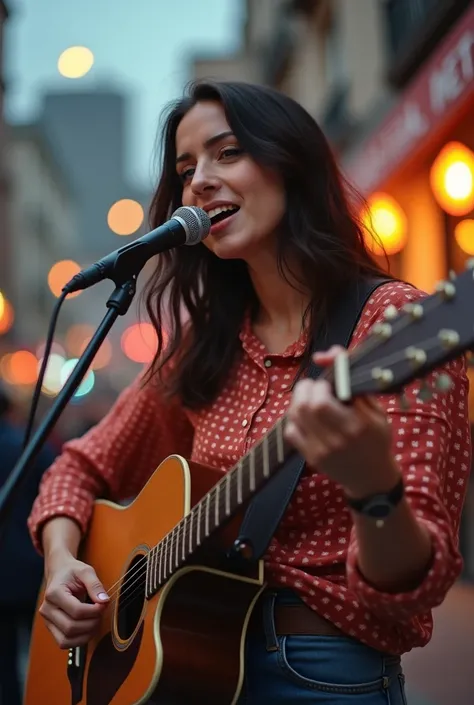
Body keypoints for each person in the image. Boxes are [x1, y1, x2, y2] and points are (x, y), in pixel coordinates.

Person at [28, 81, 470, 704]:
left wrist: (375, 488)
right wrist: (61, 560)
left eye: (227, 152)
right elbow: (77, 465)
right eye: (186, 170)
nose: (199, 183)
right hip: (187, 669)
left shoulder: (394, 325)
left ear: (290, 162)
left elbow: (411, 589)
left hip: (324, 673)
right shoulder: (205, 345)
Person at [0, 385, 57, 705]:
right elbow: (53, 486)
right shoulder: (28, 444)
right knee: (44, 654)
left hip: (2, 573)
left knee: (4, 663)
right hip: (36, 564)